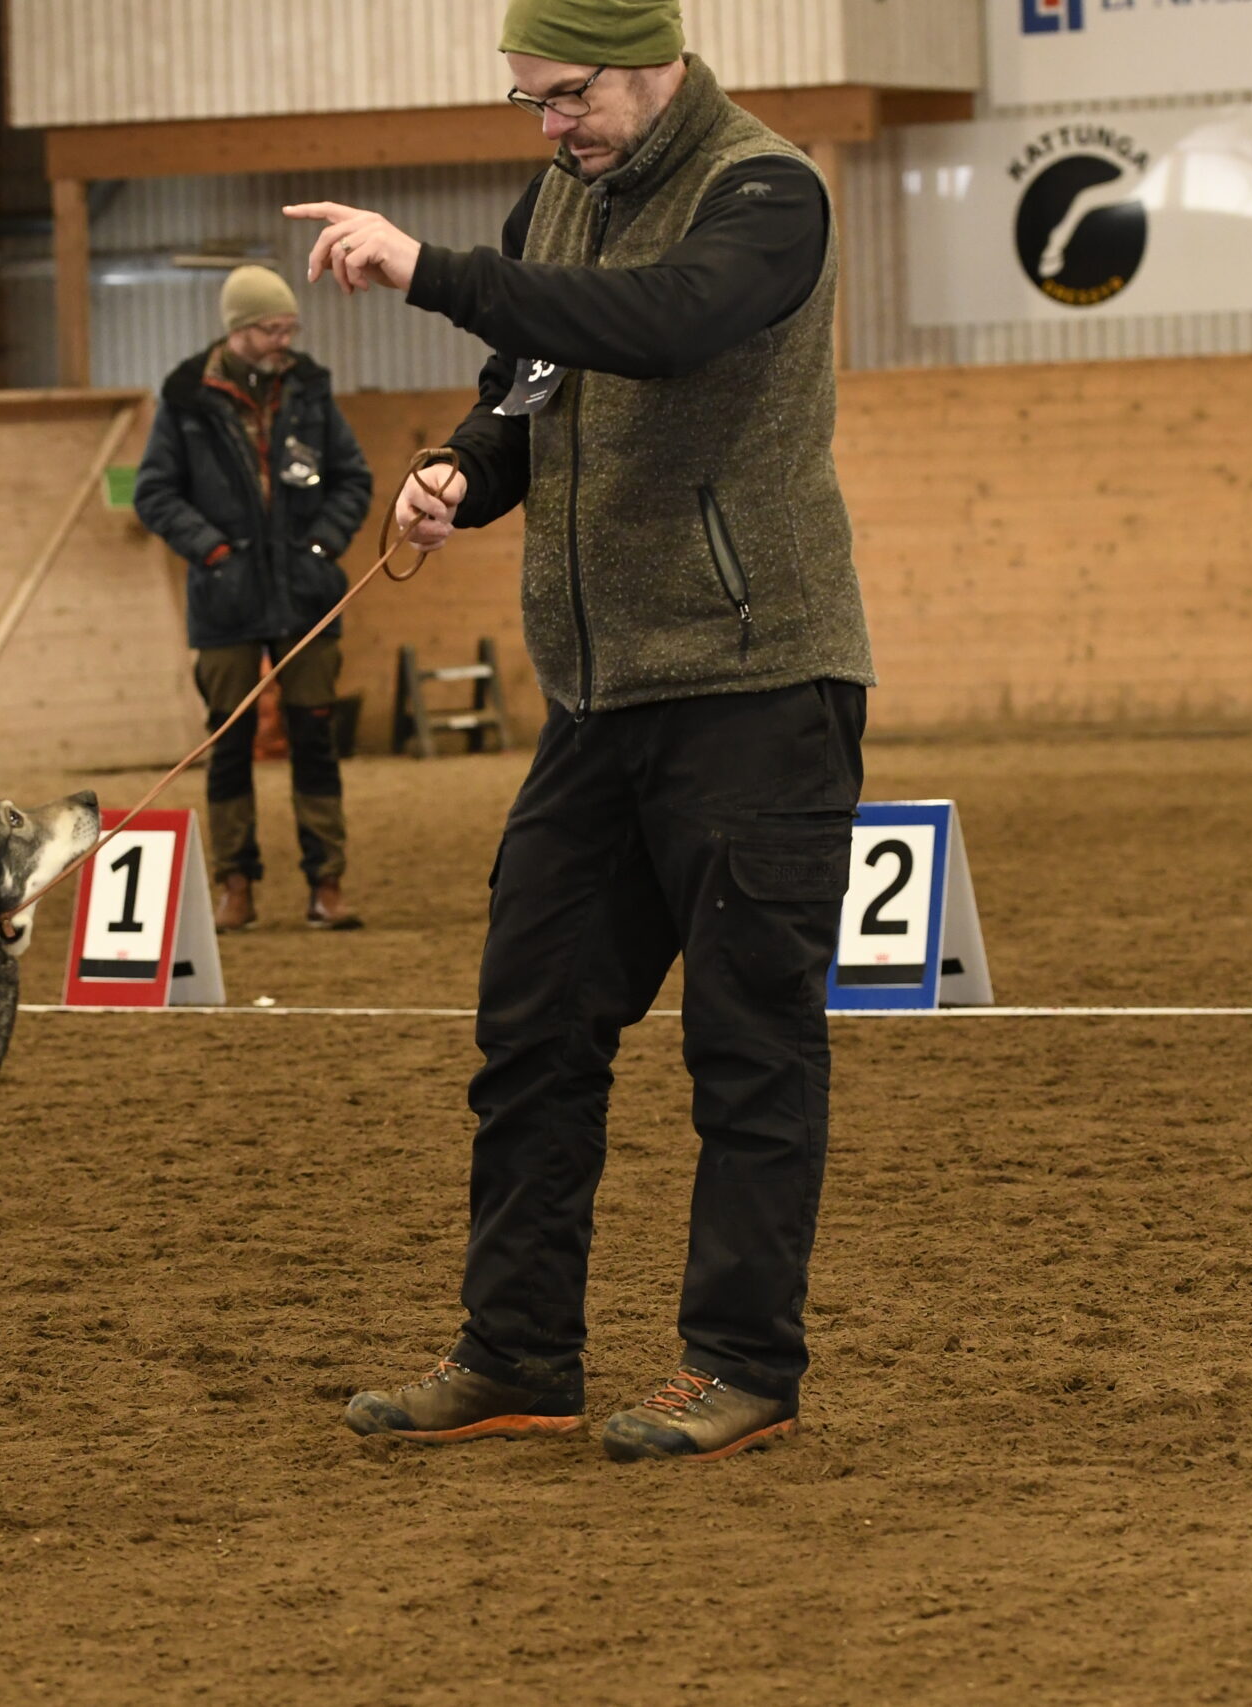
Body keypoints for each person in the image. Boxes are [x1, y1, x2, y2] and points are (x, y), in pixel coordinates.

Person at [289, 0, 876, 1461]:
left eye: (568, 97)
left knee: (749, 1047)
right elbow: (529, 389)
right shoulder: (557, 197)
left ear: (649, 61)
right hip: (597, 702)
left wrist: (428, 271)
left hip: (755, 687)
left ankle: (741, 1364)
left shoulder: (764, 191)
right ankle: (516, 1351)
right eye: (531, 103)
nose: (551, 128)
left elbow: (662, 327)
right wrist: (462, 467)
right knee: (532, 1028)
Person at [133, 266, 375, 932]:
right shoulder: (185, 400)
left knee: (315, 739)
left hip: (307, 595)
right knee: (229, 743)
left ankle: (327, 883)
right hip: (225, 602)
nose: (283, 340)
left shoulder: (311, 390)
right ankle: (234, 885)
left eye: (289, 327)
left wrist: (322, 545)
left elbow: (353, 478)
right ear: (238, 330)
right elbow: (154, 493)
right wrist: (213, 552)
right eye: (272, 329)